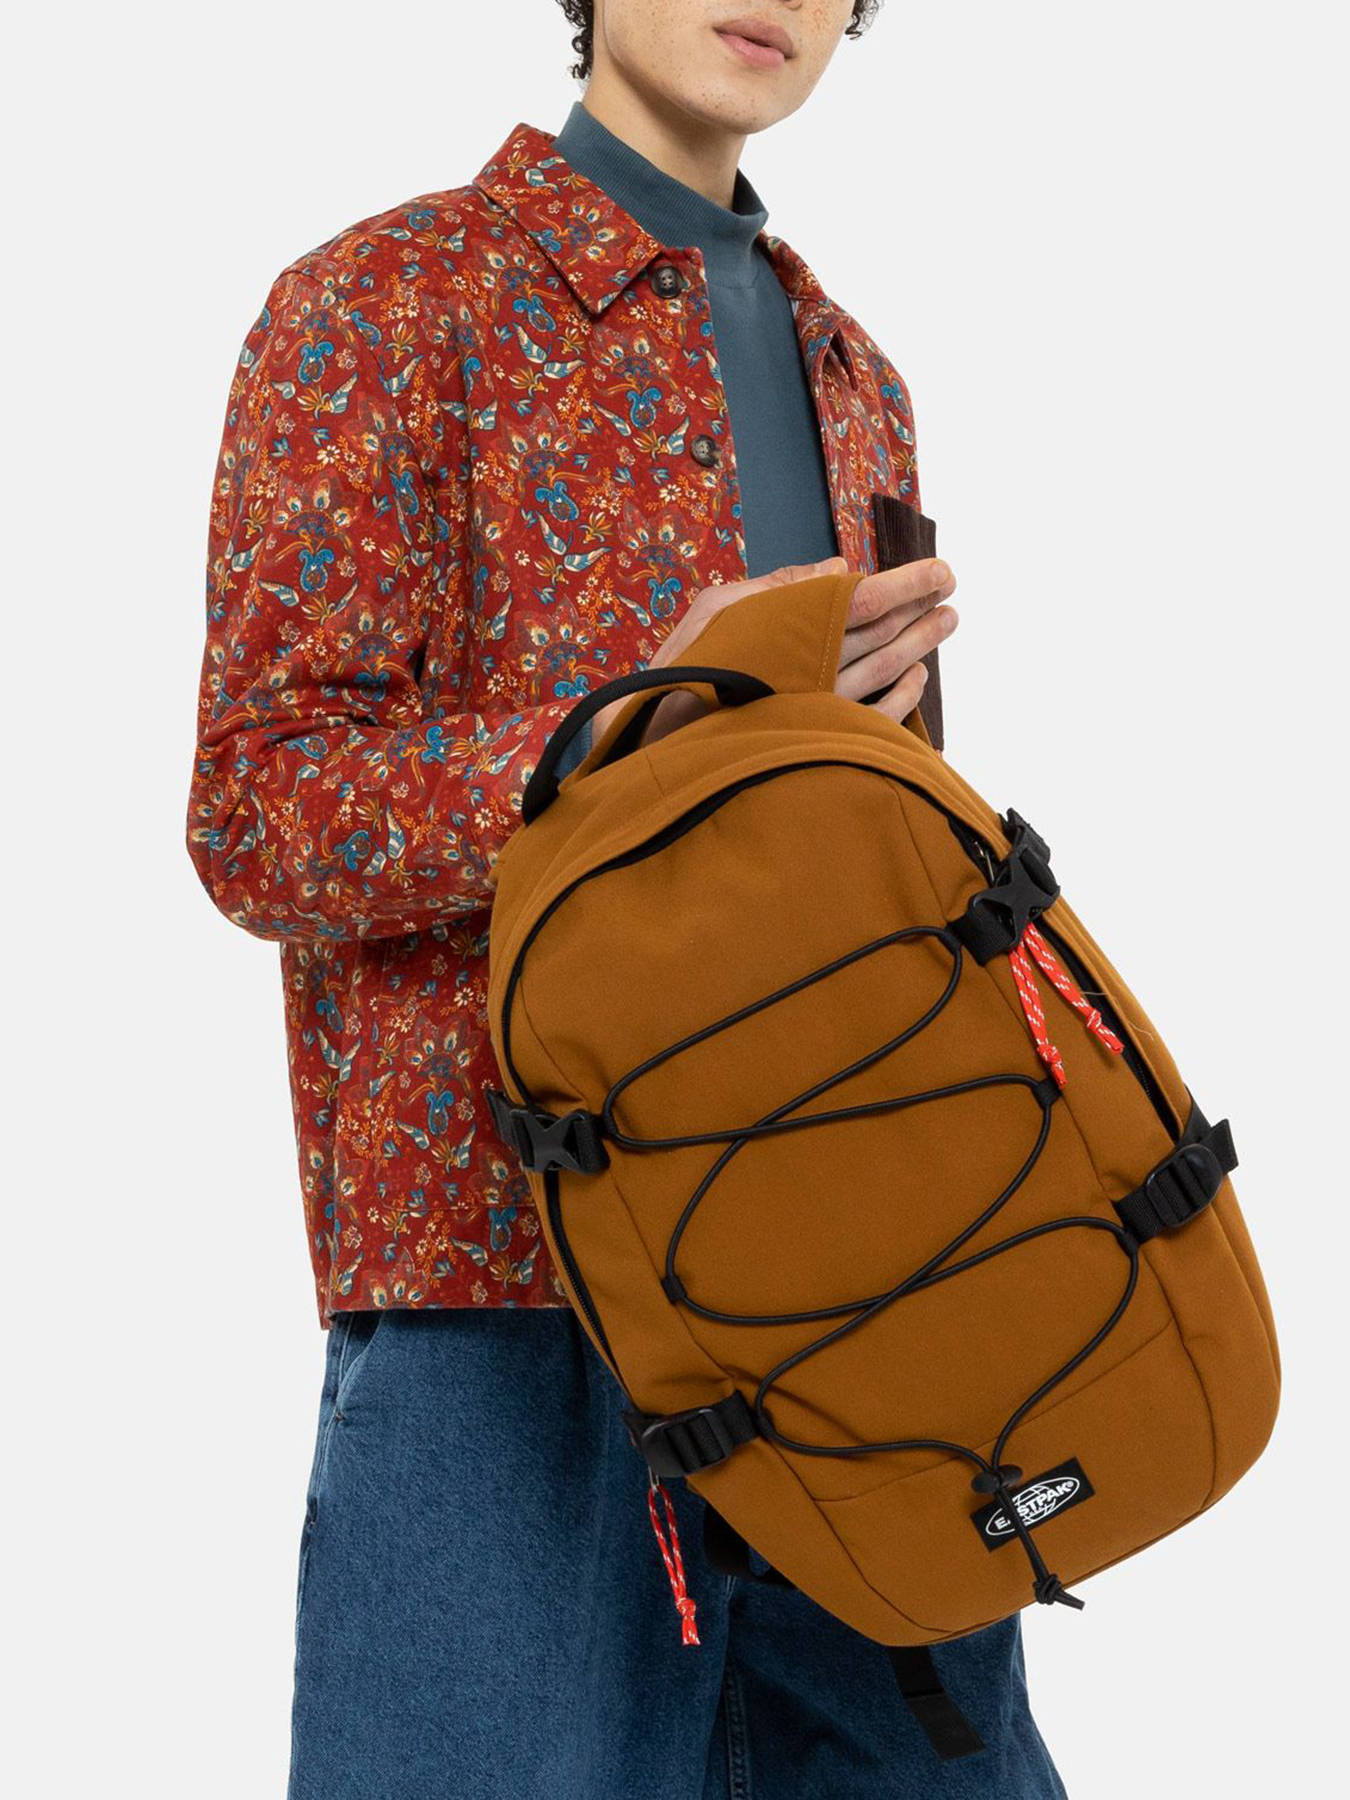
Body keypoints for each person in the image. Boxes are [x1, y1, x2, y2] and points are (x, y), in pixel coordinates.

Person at [185, 2, 1066, 1794]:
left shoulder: (854, 371)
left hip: (858, 1291)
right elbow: (260, 813)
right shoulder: (385, 302)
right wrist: (615, 736)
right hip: (507, 1292)